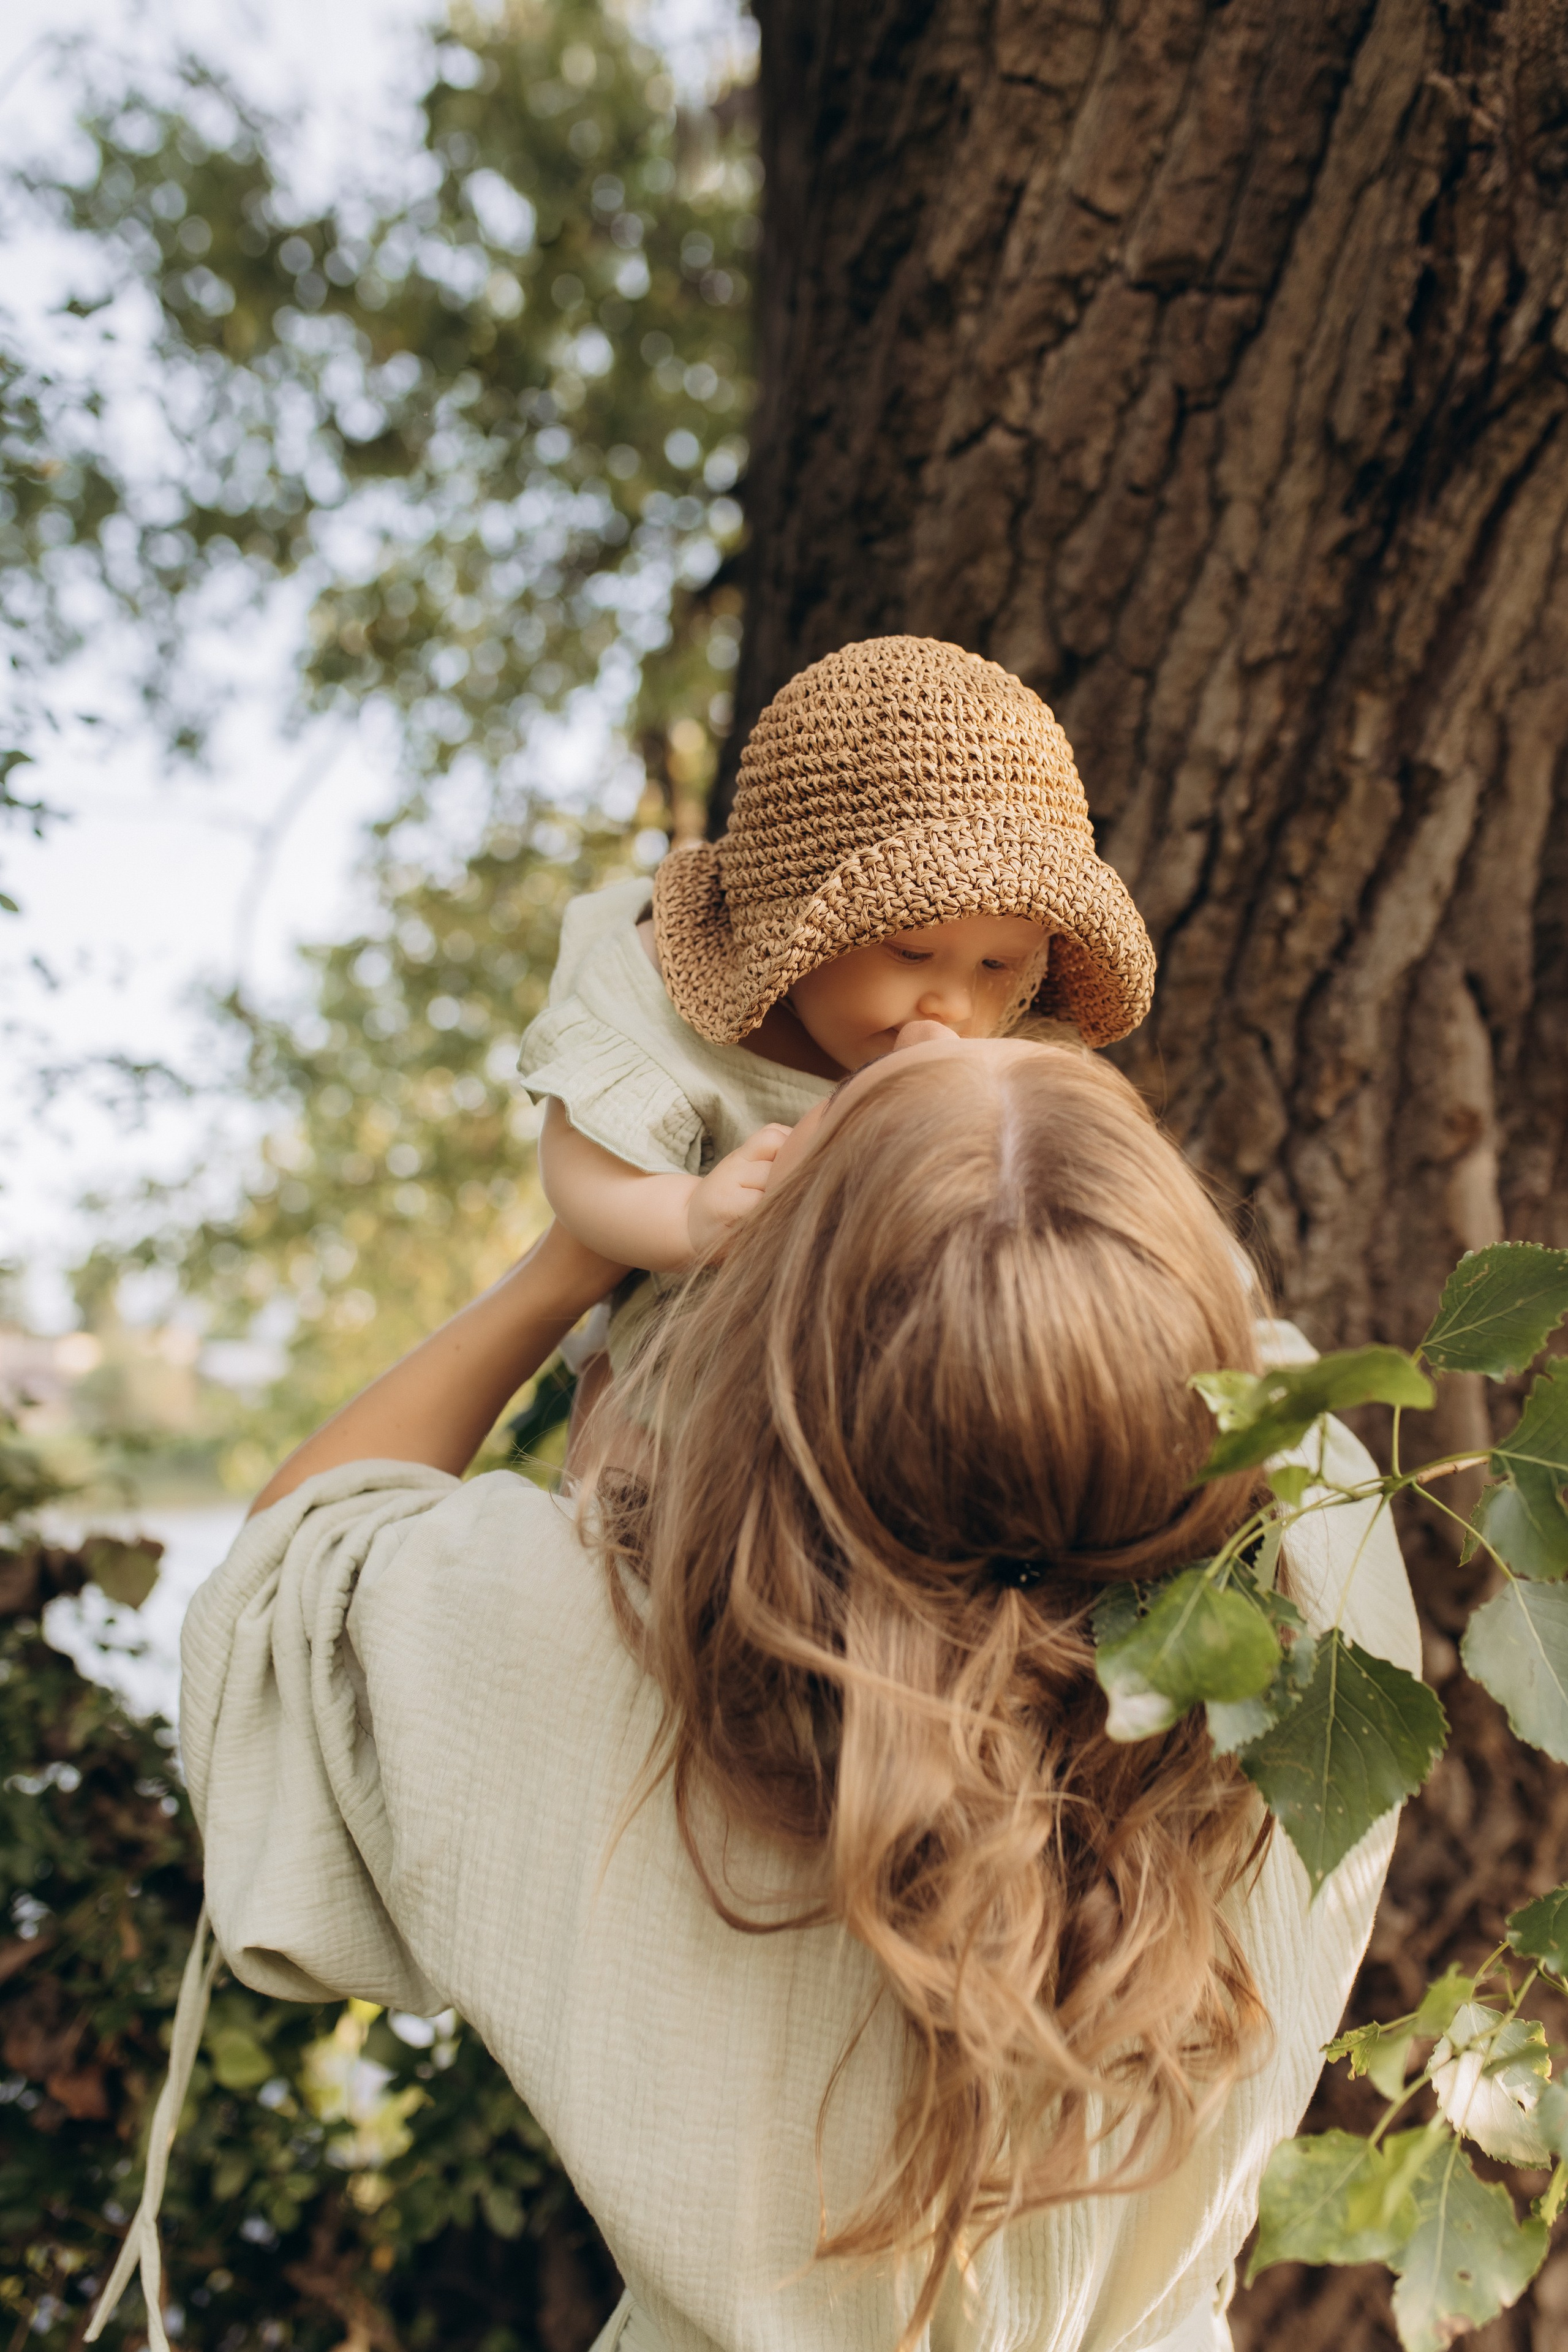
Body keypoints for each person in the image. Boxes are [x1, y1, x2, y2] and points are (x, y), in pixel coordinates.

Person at [132, 1029, 1414, 2352]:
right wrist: (1009, 1154)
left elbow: (281, 1579)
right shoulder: (1320, 1595)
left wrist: (574, 1265)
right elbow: (1205, 1366)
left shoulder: (584, 1632)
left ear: (779, 1346)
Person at [516, 635, 1156, 1409]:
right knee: (625, 1419)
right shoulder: (663, 1007)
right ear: (792, 924)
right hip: (709, 1343)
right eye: (911, 951)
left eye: (998, 967)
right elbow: (581, 1168)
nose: (954, 1007)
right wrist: (683, 1219)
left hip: (913, 1353)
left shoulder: (1010, 1039)